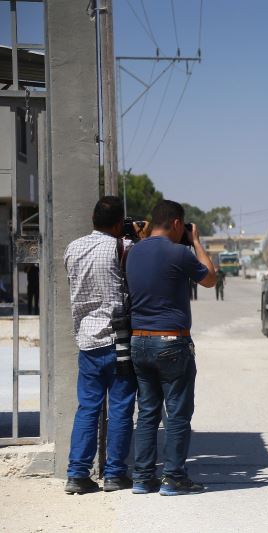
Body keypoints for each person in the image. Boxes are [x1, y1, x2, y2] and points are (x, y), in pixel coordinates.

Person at [126, 200, 216, 496]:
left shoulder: (132, 251)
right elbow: (210, 278)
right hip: (171, 343)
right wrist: (197, 242)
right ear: (177, 224)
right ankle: (174, 477)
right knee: (177, 413)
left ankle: (142, 477)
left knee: (148, 412)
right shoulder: (179, 252)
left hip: (138, 341)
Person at [62, 196, 137, 494]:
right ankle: (115, 474)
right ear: (119, 223)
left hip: (87, 340)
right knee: (120, 408)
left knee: (87, 408)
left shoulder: (73, 248)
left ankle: (77, 474)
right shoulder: (124, 248)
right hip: (118, 341)